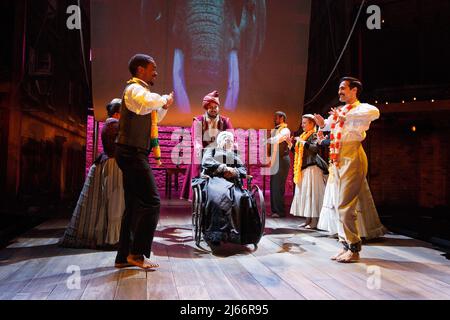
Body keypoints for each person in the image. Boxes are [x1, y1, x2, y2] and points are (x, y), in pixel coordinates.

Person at [114, 54, 174, 270]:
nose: (156, 72)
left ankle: (123, 256)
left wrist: (164, 105)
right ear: (140, 70)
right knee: (151, 202)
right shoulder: (134, 89)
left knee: (133, 205)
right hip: (131, 152)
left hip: (131, 151)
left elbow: (152, 114)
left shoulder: (142, 93)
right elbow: (147, 102)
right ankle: (137, 253)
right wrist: (163, 98)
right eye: (153, 68)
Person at [314, 77, 380, 263]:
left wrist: (347, 117)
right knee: (337, 204)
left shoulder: (362, 108)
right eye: (339, 89)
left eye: (343, 88)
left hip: (352, 156)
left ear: (354, 90)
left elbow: (376, 113)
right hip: (337, 159)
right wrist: (321, 124)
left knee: (345, 204)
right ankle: (345, 246)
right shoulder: (341, 110)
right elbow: (329, 124)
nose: (340, 92)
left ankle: (354, 247)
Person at [60, 98, 124, 249]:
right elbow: (119, 146)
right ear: (117, 113)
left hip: (111, 162)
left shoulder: (110, 124)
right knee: (115, 199)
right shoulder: (113, 125)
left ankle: (110, 237)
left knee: (108, 201)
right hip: (114, 164)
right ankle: (112, 239)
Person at [316, 132, 387, 240]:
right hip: (338, 163)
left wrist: (323, 141)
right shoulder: (339, 124)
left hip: (349, 162)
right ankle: (340, 230)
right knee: (337, 198)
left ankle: (358, 233)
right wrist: (322, 127)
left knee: (350, 198)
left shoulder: (352, 128)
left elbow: (343, 138)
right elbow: (335, 135)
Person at [180, 91, 233, 201]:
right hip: (203, 154)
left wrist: (231, 146)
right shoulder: (198, 121)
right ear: (206, 108)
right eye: (211, 107)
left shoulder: (225, 121)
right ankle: (199, 195)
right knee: (198, 160)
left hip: (220, 154)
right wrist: (199, 147)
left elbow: (231, 136)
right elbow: (197, 139)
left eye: (215, 107)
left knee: (231, 164)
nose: (214, 109)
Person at [200, 131, 247, 246]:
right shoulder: (212, 150)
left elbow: (243, 170)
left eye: (231, 141)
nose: (229, 142)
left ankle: (235, 234)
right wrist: (223, 168)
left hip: (232, 181)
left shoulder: (235, 155)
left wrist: (234, 171)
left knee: (240, 198)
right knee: (218, 198)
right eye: (227, 140)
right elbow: (206, 162)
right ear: (220, 141)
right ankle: (216, 234)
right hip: (216, 179)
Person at [290, 115, 328, 229]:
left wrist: (302, 142)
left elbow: (315, 149)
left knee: (312, 194)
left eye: (305, 123)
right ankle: (308, 220)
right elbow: (298, 153)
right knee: (306, 194)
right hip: (304, 168)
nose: (302, 125)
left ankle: (315, 221)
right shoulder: (303, 135)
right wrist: (290, 144)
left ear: (312, 124)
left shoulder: (314, 134)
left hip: (312, 168)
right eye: (302, 123)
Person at [268, 111, 292, 218]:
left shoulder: (285, 130)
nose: (274, 119)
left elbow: (278, 140)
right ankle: (275, 210)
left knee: (278, 185)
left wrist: (268, 140)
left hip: (282, 159)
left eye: (276, 117)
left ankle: (280, 211)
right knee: (274, 185)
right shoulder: (276, 130)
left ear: (282, 118)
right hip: (276, 159)